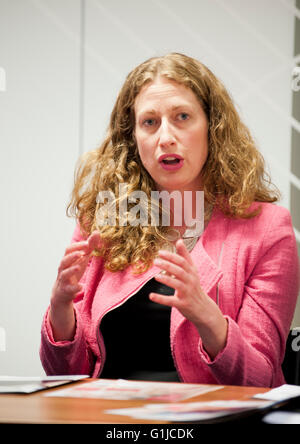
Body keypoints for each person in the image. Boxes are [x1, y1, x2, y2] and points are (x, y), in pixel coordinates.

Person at [40, 53, 299, 387]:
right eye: (150, 122)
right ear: (133, 139)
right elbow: (62, 376)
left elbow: (260, 378)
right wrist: (60, 309)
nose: (165, 137)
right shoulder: (103, 222)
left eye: (182, 117)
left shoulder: (267, 228)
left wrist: (208, 319)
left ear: (212, 127)